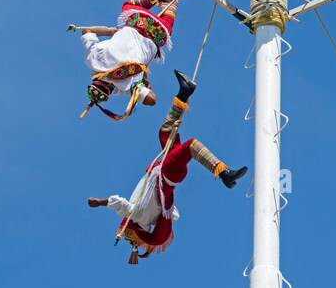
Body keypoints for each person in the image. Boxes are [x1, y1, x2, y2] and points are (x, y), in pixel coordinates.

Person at [88, 71, 247, 263]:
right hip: (166, 173)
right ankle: (224, 173)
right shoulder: (137, 215)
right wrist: (100, 202)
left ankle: (184, 93)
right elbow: (120, 204)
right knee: (191, 145)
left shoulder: (153, 218)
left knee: (165, 132)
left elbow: (173, 215)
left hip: (166, 170)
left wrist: (141, 238)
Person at [69, 0, 189, 121]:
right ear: (95, 79)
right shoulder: (93, 60)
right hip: (137, 20)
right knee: (128, 5)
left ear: (110, 92)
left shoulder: (128, 85)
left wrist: (139, 90)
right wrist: (112, 31)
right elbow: (86, 31)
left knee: (167, 21)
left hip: (159, 34)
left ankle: (172, 1)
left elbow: (152, 100)